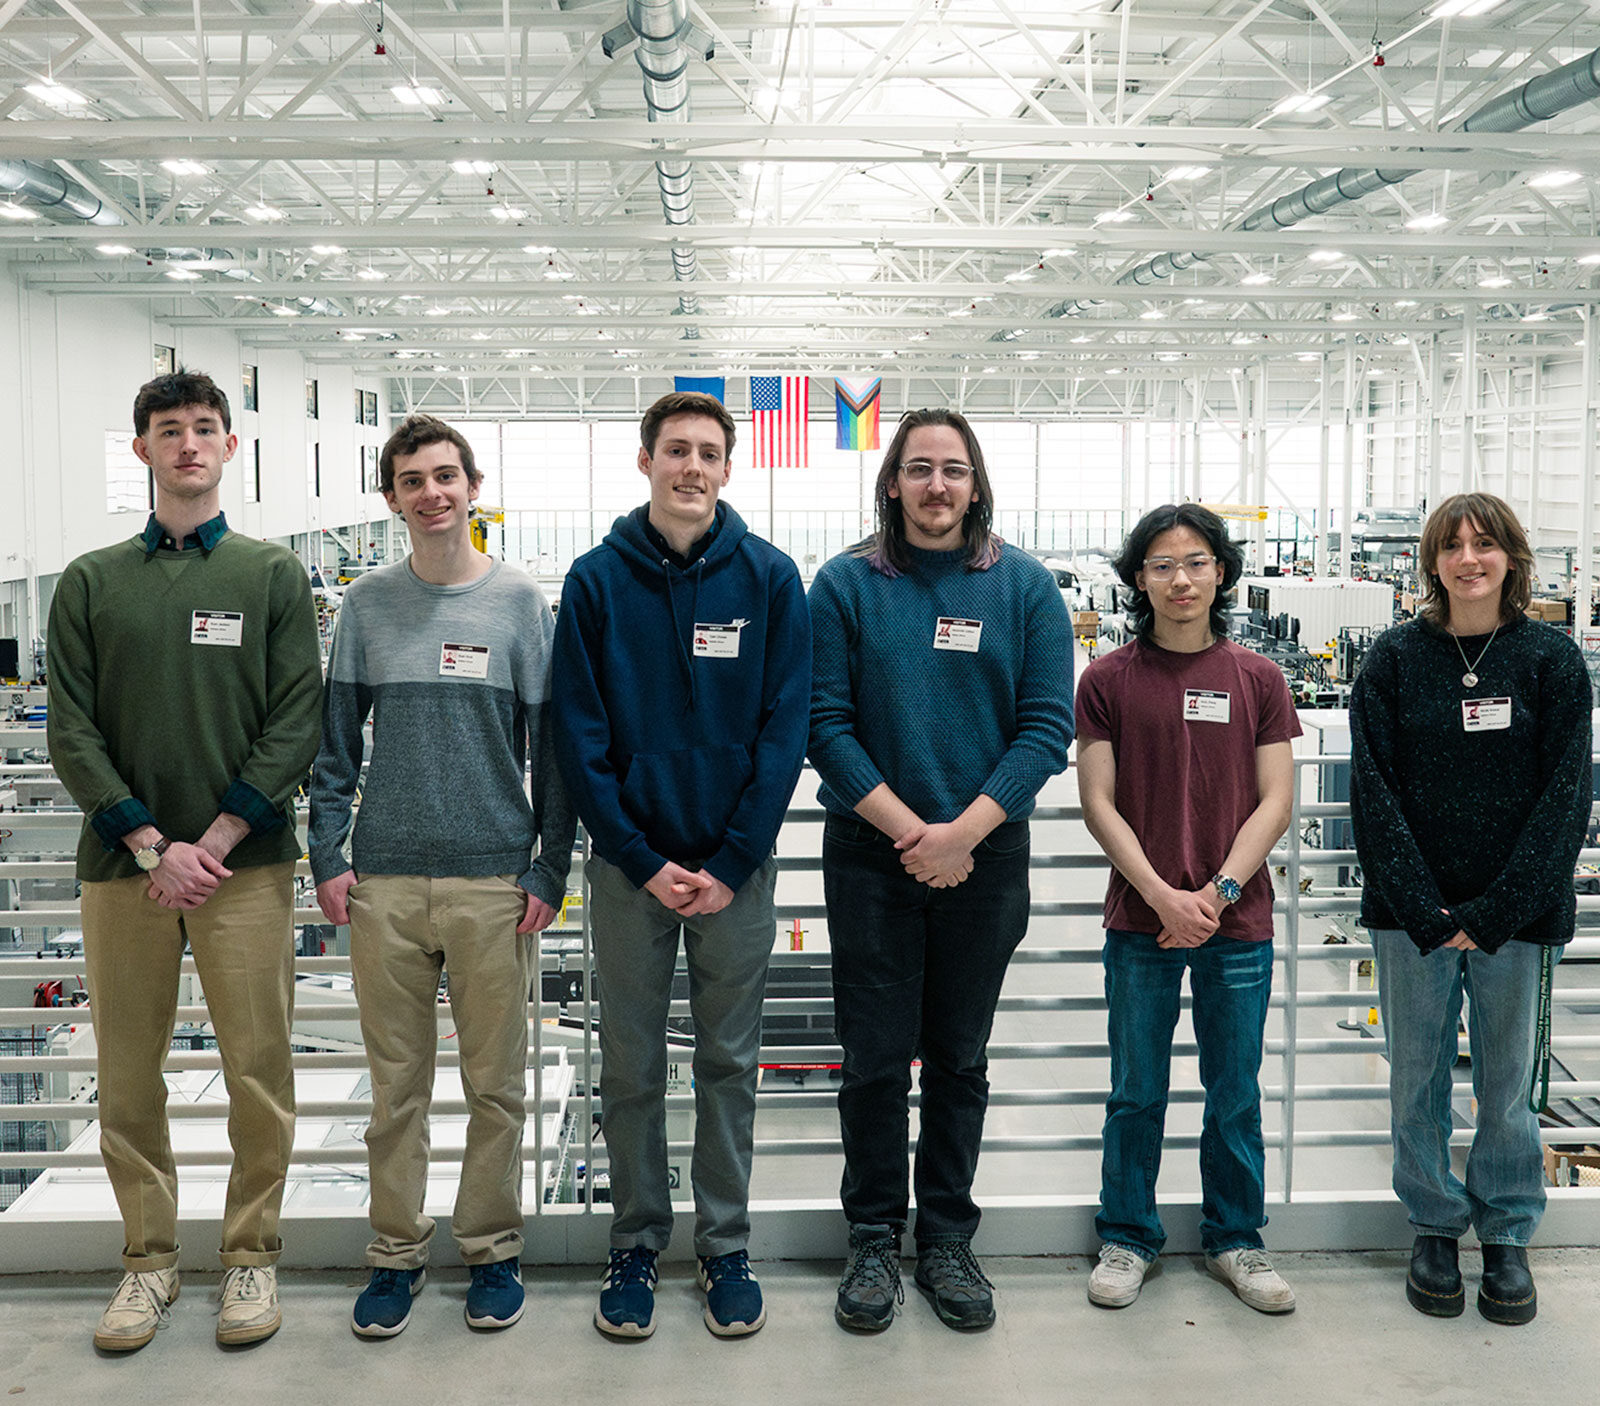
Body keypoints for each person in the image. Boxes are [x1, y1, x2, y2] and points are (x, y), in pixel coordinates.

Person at [46, 368, 322, 1351]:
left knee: (258, 1067)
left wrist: (213, 839)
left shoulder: (271, 575)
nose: (190, 443)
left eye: (207, 428)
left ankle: (250, 1257)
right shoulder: (88, 580)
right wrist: (147, 837)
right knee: (128, 1073)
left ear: (230, 447)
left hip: (243, 868)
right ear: (143, 451)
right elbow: (70, 728)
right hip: (125, 868)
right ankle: (148, 1262)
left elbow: (298, 718)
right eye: (171, 430)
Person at [551, 391, 810, 1340]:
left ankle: (725, 1244)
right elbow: (578, 739)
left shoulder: (775, 580)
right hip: (628, 874)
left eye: (707, 453)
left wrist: (735, 857)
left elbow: (786, 732)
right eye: (675, 451)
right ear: (646, 461)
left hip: (736, 874)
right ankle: (635, 1243)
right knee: (628, 1066)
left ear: (728, 468)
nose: (690, 467)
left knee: (729, 1064)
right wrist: (639, 857)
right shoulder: (594, 582)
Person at [808, 408, 1074, 1333]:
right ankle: (874, 1237)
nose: (935, 486)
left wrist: (962, 832)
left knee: (959, 1058)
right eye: (918, 469)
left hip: (987, 856)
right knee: (875, 1062)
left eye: (952, 470)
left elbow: (1047, 728)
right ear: (891, 484)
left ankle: (948, 1239)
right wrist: (911, 833)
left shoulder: (1027, 588)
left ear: (975, 483)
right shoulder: (844, 586)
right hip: (871, 857)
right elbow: (824, 724)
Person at [309, 414, 575, 1337]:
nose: (432, 492)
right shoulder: (368, 608)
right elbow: (335, 746)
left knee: (498, 1086)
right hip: (382, 885)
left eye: (447, 476)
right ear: (392, 497)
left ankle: (492, 1250)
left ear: (473, 487)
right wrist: (329, 857)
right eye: (413, 479)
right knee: (396, 1091)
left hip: (493, 885)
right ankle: (394, 1255)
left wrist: (548, 866)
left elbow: (555, 754)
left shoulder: (518, 605)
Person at [1349, 492, 1591, 1326]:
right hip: (1411, 918)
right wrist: (1427, 910)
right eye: (1452, 546)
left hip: (1515, 921)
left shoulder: (1552, 663)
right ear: (1432, 562)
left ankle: (1508, 1234)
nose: (1468, 559)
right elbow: (1372, 795)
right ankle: (1433, 1225)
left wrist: (1488, 916)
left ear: (1512, 558)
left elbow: (1566, 800)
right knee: (1414, 1079)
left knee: (1506, 1084)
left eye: (1484, 544)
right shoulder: (1391, 661)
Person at [1075, 503, 1299, 1315]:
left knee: (1233, 1089)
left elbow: (1276, 801)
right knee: (1136, 1089)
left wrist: (1217, 894)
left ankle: (1237, 1238)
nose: (1181, 578)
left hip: (1236, 926)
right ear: (1139, 578)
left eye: (1197, 562)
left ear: (1223, 573)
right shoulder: (1106, 681)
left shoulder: (1258, 679)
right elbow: (1098, 804)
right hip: (1141, 924)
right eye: (1163, 564)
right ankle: (1128, 1236)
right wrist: (1163, 895)